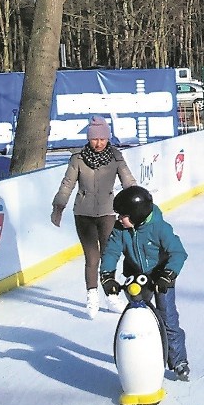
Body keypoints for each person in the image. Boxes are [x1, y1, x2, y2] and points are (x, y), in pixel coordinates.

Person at [99, 185, 190, 382]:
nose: (119, 219)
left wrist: (168, 274)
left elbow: (178, 253)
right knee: (137, 316)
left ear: (136, 215)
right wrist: (107, 275)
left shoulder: (159, 227)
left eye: (123, 215)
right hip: (136, 276)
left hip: (162, 275)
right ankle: (141, 356)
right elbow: (111, 252)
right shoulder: (120, 229)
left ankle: (178, 361)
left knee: (168, 316)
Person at [51, 115, 136, 319]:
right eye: (94, 139)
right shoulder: (78, 158)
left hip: (107, 212)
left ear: (108, 138)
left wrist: (137, 203)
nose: (99, 143)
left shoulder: (116, 156)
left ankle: (111, 294)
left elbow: (128, 181)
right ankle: (92, 295)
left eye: (103, 139)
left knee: (108, 255)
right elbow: (67, 184)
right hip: (83, 214)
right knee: (92, 258)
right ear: (89, 139)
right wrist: (58, 206)